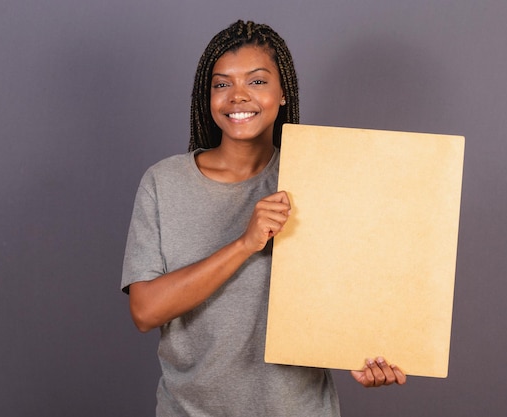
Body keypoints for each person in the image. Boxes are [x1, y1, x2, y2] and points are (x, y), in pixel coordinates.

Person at [121, 20, 406, 416]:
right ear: (207, 96)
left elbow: (357, 287)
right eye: (222, 84)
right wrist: (245, 243)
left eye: (256, 82)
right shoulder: (163, 183)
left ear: (283, 92)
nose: (238, 96)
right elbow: (145, 310)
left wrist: (365, 351)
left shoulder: (319, 179)